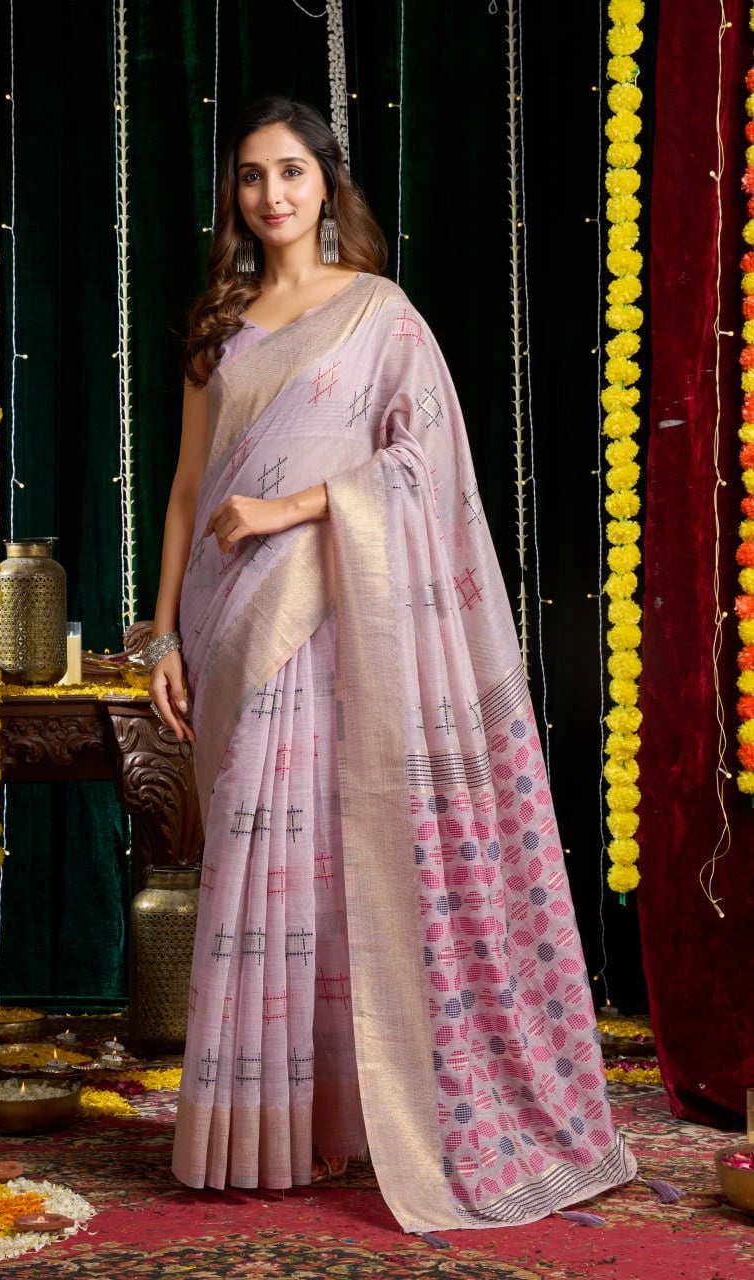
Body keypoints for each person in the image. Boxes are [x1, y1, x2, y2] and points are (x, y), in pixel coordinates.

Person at [147, 95, 636, 1234]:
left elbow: (425, 464)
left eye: (291, 174)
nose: (271, 196)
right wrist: (158, 629)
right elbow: (182, 492)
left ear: (327, 183)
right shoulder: (219, 326)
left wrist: (294, 507)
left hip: (328, 616)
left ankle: (340, 1122)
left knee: (323, 860)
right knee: (254, 863)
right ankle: (252, 1126)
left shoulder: (378, 312)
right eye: (252, 178)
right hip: (228, 624)